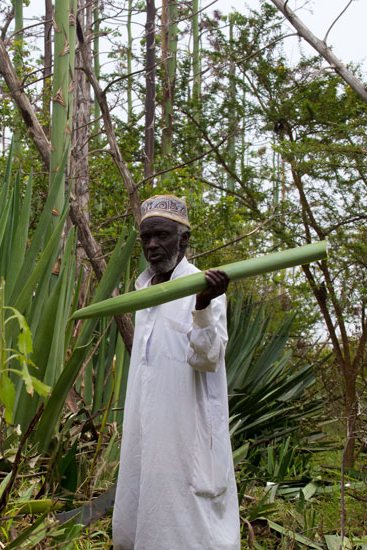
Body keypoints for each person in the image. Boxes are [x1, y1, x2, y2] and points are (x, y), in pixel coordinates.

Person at [112, 195, 240, 549]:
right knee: (142, 515)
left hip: (187, 432)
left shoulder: (204, 287)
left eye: (162, 236)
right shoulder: (144, 291)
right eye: (146, 237)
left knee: (191, 528)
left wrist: (202, 306)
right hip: (147, 427)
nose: (152, 245)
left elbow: (209, 357)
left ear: (184, 239)